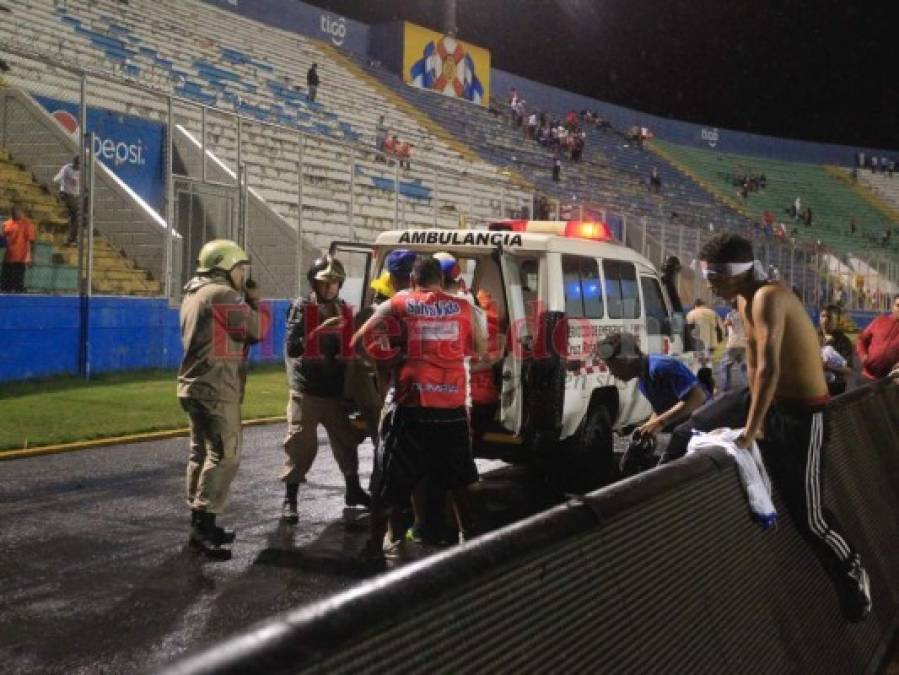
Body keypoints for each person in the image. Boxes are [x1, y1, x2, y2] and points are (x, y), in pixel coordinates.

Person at [665, 232, 871, 623]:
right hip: (773, 403)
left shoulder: (767, 297)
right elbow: (757, 368)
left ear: (733, 273)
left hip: (804, 415)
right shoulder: (742, 298)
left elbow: (769, 368)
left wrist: (750, 429)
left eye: (714, 278)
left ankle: (853, 568)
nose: (709, 285)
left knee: (809, 515)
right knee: (685, 433)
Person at [352, 256, 486, 569]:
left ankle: (377, 548)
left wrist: (391, 358)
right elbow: (480, 350)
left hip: (411, 408)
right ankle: (473, 546)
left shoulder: (400, 303)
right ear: (441, 280)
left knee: (390, 485)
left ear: (413, 281)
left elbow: (359, 344)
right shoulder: (465, 307)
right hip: (452, 411)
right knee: (463, 481)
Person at [178, 239, 271, 560]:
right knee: (225, 456)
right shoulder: (223, 294)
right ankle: (203, 526)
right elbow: (256, 331)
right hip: (216, 387)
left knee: (200, 453)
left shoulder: (194, 291)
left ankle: (199, 522)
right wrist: (256, 303)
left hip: (194, 384)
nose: (245, 275)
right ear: (225, 267)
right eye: (241, 269)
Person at [280, 255, 371, 524]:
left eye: (335, 282)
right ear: (314, 283)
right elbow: (293, 348)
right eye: (325, 282)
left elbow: (347, 351)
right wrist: (319, 330)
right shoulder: (302, 307)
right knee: (301, 446)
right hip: (306, 390)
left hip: (333, 391)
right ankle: (290, 499)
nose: (330, 287)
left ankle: (353, 490)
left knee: (347, 442)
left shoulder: (344, 309)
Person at [598, 332, 710, 443]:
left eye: (612, 366)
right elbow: (662, 409)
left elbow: (698, 397)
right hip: (688, 432)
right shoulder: (643, 381)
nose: (611, 372)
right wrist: (648, 427)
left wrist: (659, 423)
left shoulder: (661, 367)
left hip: (706, 428)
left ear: (626, 359)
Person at [856, 294, 899, 380]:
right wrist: (863, 356)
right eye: (898, 306)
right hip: (867, 376)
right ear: (892, 307)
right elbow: (862, 340)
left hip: (890, 382)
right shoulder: (880, 320)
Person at [818, 305, 854, 395]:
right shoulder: (813, 336)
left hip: (835, 387)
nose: (825, 320)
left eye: (829, 317)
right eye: (823, 316)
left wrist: (827, 366)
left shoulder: (844, 341)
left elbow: (848, 370)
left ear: (836, 320)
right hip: (815, 385)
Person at [1, 204, 36, 294]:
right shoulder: (6, 224)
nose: (14, 213)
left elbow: (31, 241)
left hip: (20, 259)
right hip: (7, 259)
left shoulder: (27, 224)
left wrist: (30, 257)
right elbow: (3, 241)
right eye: (12, 211)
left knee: (17, 285)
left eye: (16, 211)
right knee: (4, 285)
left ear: (21, 212)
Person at [686, 298, 724, 366]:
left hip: (698, 342)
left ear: (695, 305)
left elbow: (688, 329)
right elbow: (721, 327)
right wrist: (721, 337)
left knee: (698, 362)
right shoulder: (712, 312)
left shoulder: (691, 313)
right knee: (708, 360)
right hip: (711, 342)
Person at [719, 299, 747, 392]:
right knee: (743, 366)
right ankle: (747, 386)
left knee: (725, 366)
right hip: (744, 343)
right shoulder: (746, 314)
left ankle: (726, 387)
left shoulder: (731, 314)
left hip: (733, 343)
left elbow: (726, 323)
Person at [54, 155, 81, 246]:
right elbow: (57, 178)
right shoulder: (67, 168)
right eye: (77, 165)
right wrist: (59, 185)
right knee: (75, 215)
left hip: (75, 196)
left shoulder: (81, 172)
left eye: (79, 166)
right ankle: (72, 238)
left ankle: (73, 238)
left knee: (76, 217)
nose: (78, 167)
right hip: (66, 193)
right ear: (74, 163)